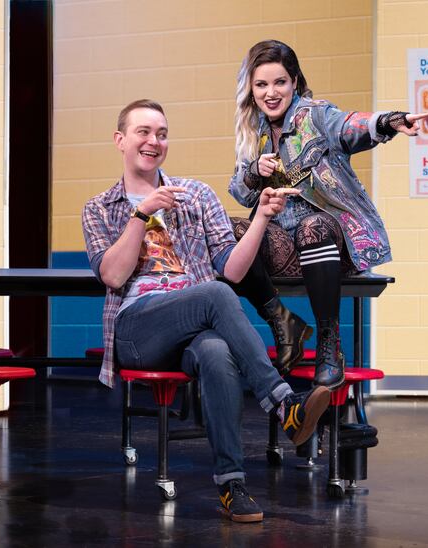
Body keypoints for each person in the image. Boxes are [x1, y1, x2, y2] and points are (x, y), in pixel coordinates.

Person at [82, 99, 331, 523]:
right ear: (120, 140)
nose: (154, 141)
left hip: (192, 323)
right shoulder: (100, 208)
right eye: (143, 132)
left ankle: (232, 485)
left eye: (162, 133)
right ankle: (283, 403)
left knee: (216, 352)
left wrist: (261, 217)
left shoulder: (196, 195)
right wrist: (142, 213)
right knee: (214, 294)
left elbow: (232, 269)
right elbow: (112, 275)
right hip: (137, 330)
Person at [229, 40, 427, 387]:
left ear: (294, 82)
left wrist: (390, 121)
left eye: (279, 82)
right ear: (251, 89)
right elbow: (241, 194)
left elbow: (351, 126)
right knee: (228, 230)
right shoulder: (252, 131)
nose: (271, 93)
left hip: (332, 246)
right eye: (261, 84)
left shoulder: (315, 115)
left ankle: (328, 344)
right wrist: (253, 172)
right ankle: (282, 322)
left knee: (313, 226)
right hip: (286, 247)